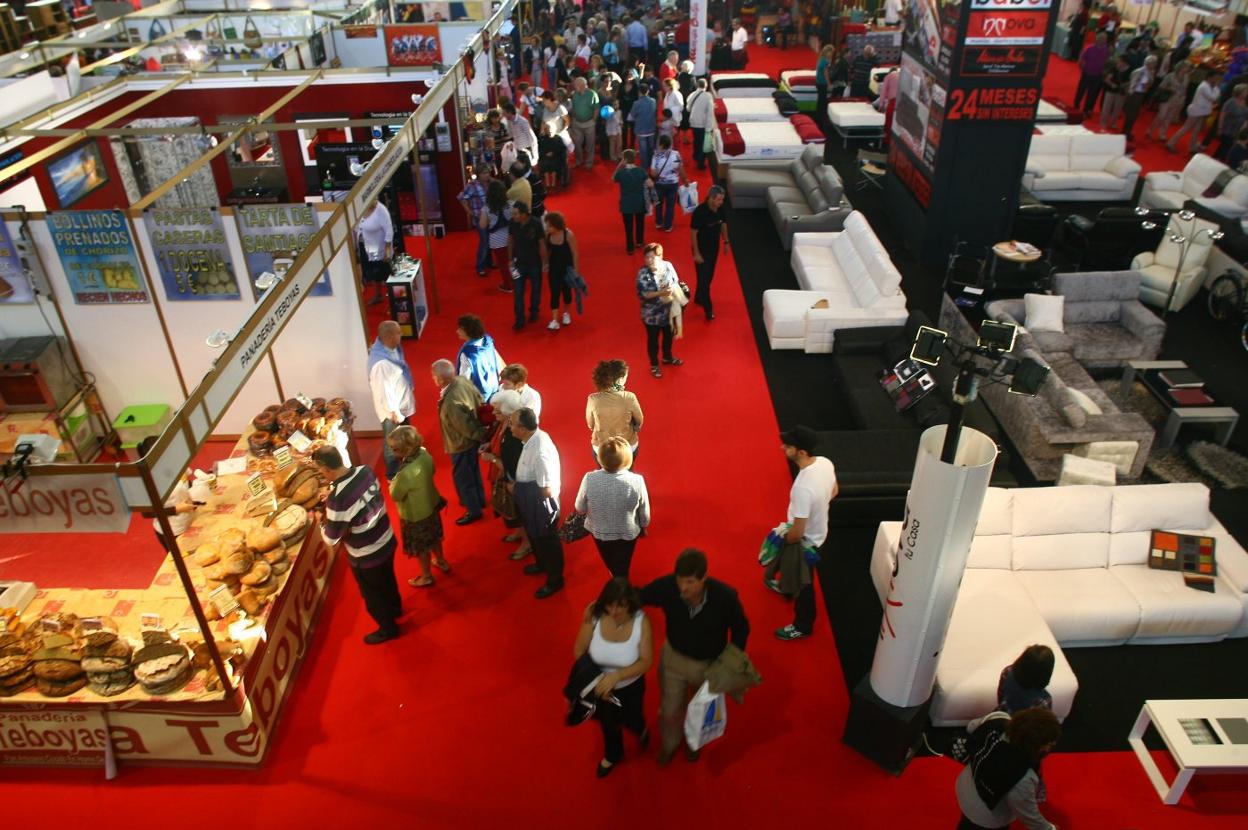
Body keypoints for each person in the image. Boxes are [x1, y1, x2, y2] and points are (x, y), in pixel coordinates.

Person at [640, 548, 750, 765]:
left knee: (702, 711)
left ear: (704, 578)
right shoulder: (668, 586)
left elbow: (741, 628)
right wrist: (608, 602)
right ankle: (670, 744)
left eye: (690, 582)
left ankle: (694, 743)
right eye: (681, 580)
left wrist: (730, 662)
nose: (683, 588)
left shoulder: (725, 597)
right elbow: (640, 595)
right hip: (674, 659)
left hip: (709, 665)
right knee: (670, 710)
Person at [314, 445, 401, 644]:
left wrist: (322, 520)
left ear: (326, 469)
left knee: (373, 595)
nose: (321, 474)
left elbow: (332, 538)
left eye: (320, 470)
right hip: (386, 537)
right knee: (388, 579)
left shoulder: (338, 499)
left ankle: (388, 628)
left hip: (367, 554)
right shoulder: (365, 471)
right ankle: (396, 609)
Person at [573, 578, 654, 777]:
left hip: (631, 685)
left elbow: (646, 661)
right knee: (608, 724)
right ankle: (613, 754)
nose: (615, 611)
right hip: (600, 686)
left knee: (632, 717)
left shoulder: (641, 621)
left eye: (621, 606)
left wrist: (617, 676)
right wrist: (598, 678)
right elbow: (579, 650)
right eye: (610, 605)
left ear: (630, 603)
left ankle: (639, 729)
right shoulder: (594, 616)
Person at [770, 425, 838, 641]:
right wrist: (818, 508)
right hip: (821, 534)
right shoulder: (825, 462)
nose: (782, 448)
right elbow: (835, 490)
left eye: (788, 446)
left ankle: (802, 625)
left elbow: (797, 531)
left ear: (801, 452)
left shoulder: (802, 488)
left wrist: (786, 540)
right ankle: (786, 587)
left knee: (804, 586)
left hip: (805, 541)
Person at [955, 708, 1062, 830]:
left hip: (968, 783)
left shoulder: (998, 719)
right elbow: (1028, 814)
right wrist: (1049, 828)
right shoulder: (1021, 776)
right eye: (1050, 743)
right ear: (1035, 746)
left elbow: (972, 726)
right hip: (985, 816)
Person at [575, 437, 650, 578]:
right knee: (623, 564)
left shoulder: (589, 478)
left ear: (600, 457)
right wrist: (644, 526)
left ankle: (615, 577)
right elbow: (644, 512)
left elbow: (580, 507)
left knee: (609, 560)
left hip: (599, 531)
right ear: (627, 459)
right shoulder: (637, 480)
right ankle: (621, 583)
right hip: (627, 532)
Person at [511, 407, 565, 599]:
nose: (510, 428)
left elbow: (547, 488)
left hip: (540, 504)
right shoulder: (531, 440)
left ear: (523, 428)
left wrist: (523, 493)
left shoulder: (541, 451)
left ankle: (555, 580)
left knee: (547, 540)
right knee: (535, 537)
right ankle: (541, 564)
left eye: (513, 424)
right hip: (531, 500)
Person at [387, 426, 449, 589]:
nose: (392, 452)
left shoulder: (405, 472)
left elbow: (395, 495)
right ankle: (442, 561)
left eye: (395, 449)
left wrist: (393, 482)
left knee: (421, 547)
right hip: (431, 503)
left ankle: (427, 576)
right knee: (435, 536)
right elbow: (433, 470)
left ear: (406, 447)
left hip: (415, 514)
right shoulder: (423, 453)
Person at [432, 358, 487, 526]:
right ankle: (480, 500)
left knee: (463, 478)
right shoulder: (462, 380)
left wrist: (480, 436)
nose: (433, 379)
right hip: (470, 441)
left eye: (433, 376)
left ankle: (473, 509)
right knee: (473, 470)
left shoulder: (450, 402)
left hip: (460, 443)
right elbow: (478, 398)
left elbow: (464, 426)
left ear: (441, 379)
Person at [480, 389, 529, 559]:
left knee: (519, 511)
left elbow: (513, 467)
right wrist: (490, 446)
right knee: (513, 512)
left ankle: (526, 543)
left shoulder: (514, 434)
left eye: (497, 410)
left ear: (509, 413)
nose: (493, 413)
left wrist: (491, 458)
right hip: (502, 476)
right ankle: (519, 532)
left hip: (512, 480)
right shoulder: (504, 424)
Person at [368, 320, 416, 481]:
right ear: (389, 337)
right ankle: (392, 475)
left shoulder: (392, 349)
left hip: (401, 404)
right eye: (398, 333)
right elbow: (383, 391)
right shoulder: (381, 363)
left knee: (404, 436)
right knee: (392, 442)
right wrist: (394, 411)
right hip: (392, 412)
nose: (401, 335)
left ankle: (407, 461)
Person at [636, 242, 683, 378]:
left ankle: (667, 357)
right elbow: (643, 294)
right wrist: (661, 293)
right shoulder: (643, 274)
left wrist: (677, 291)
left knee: (668, 336)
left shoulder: (668, 266)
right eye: (647, 257)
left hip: (668, 312)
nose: (649, 260)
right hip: (651, 315)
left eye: (653, 257)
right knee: (653, 339)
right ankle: (654, 364)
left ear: (660, 256)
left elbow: (675, 280)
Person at [586, 358, 644, 458]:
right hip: (627, 447)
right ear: (620, 380)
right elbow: (639, 421)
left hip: (601, 448)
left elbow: (590, 425)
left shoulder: (593, 399)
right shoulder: (629, 397)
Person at [689, 185, 729, 320]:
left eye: (722, 200)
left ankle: (698, 297)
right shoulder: (700, 212)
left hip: (714, 250)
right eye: (718, 200)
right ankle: (708, 309)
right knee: (705, 281)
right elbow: (693, 233)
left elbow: (723, 223)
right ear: (711, 198)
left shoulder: (720, 210)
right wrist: (696, 253)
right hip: (702, 251)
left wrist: (726, 241)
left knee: (708, 277)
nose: (721, 202)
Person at [508, 201, 549, 331]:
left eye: (516, 214)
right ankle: (519, 319)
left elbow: (542, 243)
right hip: (517, 263)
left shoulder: (536, 223)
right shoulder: (513, 223)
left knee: (536, 289)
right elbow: (510, 240)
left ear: (524, 214)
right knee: (518, 292)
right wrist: (509, 259)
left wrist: (545, 262)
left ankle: (534, 312)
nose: (513, 216)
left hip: (534, 263)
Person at [1168, 70, 1222, 154]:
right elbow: (1213, 98)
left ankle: (1192, 147)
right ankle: (1171, 143)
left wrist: (1216, 88)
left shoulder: (1210, 87)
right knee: (1186, 128)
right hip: (1197, 110)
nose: (1217, 80)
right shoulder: (1204, 86)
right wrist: (1217, 88)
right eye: (1216, 78)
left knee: (1196, 130)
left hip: (1202, 111)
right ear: (1210, 77)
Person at [455, 313, 506, 400]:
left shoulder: (467, 354)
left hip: (479, 396)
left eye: (460, 329)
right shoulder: (488, 341)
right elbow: (499, 363)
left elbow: (463, 380)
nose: (457, 331)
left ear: (469, 331)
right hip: (494, 388)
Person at [354, 199, 393, 306]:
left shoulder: (381, 210)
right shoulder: (359, 208)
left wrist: (387, 249)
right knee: (371, 271)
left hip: (379, 246)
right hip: (365, 245)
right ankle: (378, 295)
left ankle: (393, 299)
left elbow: (389, 231)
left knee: (384, 272)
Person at [544, 211, 579, 330]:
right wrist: (545, 264)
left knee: (567, 292)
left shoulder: (568, 234)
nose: (547, 228)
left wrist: (575, 271)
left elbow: (575, 253)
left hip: (567, 269)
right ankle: (554, 319)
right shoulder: (548, 236)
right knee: (554, 293)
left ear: (556, 225)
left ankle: (566, 313)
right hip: (554, 269)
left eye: (549, 225)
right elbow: (547, 252)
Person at [998, 645, 1056, 714]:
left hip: (1002, 716)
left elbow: (1000, 697)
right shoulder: (1044, 700)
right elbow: (1044, 722)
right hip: (1023, 724)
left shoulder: (1006, 672)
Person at [648, 134, 687, 233]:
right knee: (670, 205)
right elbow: (680, 169)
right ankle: (668, 225)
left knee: (658, 204)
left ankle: (659, 222)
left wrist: (659, 172)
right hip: (673, 184)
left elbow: (653, 172)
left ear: (661, 145)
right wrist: (685, 180)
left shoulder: (656, 155)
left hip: (659, 184)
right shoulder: (676, 154)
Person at [458, 165, 492, 276]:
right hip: (479, 216)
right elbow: (461, 197)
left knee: (489, 239)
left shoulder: (490, 183)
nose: (486, 175)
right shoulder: (472, 185)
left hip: (490, 216)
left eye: (487, 172)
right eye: (484, 173)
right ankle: (480, 266)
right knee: (484, 240)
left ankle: (489, 263)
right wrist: (469, 211)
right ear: (478, 174)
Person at [1145, 62, 1191, 142]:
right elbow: (1161, 86)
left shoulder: (1186, 77)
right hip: (1168, 98)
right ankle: (1150, 131)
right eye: (1185, 67)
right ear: (1180, 67)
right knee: (1161, 116)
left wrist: (1182, 99)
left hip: (1178, 100)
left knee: (1169, 117)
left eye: (1187, 68)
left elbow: (1185, 89)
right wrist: (1170, 89)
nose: (1187, 69)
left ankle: (1162, 133)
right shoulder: (1171, 76)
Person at [482, 180, 514, 292]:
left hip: (497, 241)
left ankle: (508, 285)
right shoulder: (511, 204)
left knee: (503, 265)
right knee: (513, 262)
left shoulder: (486, 208)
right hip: (511, 238)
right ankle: (516, 280)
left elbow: (483, 225)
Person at [1120, 54, 1157, 139]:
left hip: (1140, 94)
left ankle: (1127, 131)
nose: (1154, 65)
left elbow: (1149, 84)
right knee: (1131, 115)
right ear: (1148, 63)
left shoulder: (1149, 72)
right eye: (1153, 63)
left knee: (1134, 115)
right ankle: (1125, 132)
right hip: (1134, 94)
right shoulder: (1139, 71)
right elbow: (1132, 84)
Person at [1073, 32, 1109, 113]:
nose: (1105, 40)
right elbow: (1081, 60)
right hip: (1087, 73)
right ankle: (1076, 104)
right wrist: (1082, 69)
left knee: (1092, 93)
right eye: (1103, 39)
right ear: (1098, 39)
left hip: (1098, 75)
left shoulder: (1106, 50)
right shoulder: (1089, 48)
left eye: (1105, 39)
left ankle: (1087, 109)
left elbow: (1107, 62)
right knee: (1081, 90)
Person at [569, 76, 600, 170]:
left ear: (582, 85)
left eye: (576, 85)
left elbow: (596, 108)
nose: (575, 87)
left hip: (589, 123)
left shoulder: (592, 94)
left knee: (590, 144)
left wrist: (594, 120)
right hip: (576, 123)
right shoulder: (574, 94)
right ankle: (579, 161)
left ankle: (589, 163)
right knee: (577, 144)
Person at [686, 78, 714, 170]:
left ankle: (695, 155)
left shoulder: (693, 94)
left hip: (693, 121)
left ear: (697, 85)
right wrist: (709, 128)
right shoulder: (708, 96)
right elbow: (710, 113)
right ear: (706, 86)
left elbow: (688, 108)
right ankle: (700, 162)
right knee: (703, 143)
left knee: (696, 140)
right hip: (702, 123)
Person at [1215, 83, 1248, 161]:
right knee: (1226, 145)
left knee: (1225, 146)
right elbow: (1222, 115)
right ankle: (1220, 160)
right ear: (1240, 92)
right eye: (1246, 91)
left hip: (1238, 129)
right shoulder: (1231, 102)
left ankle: (1217, 158)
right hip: (1227, 128)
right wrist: (1220, 127)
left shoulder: (1245, 103)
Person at [630, 83, 658, 169]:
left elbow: (632, 115)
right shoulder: (653, 101)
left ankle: (645, 166)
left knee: (643, 150)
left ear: (639, 92)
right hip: (651, 128)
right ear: (648, 91)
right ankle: (652, 164)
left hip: (641, 129)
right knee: (651, 149)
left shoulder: (636, 103)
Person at [1099, 54, 1130, 130]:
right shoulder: (1114, 68)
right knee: (1107, 106)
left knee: (1117, 108)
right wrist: (1112, 84)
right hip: (1111, 90)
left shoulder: (1129, 70)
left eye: (1120, 61)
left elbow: (1131, 80)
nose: (1118, 62)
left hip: (1122, 91)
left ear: (1124, 62)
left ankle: (1113, 122)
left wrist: (1125, 84)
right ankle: (1103, 122)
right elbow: (1107, 79)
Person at [538, 122, 568, 192]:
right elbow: (540, 149)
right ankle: (548, 185)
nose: (550, 130)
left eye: (551, 129)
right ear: (545, 130)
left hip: (556, 156)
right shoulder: (543, 139)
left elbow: (562, 149)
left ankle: (553, 184)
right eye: (548, 129)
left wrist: (554, 153)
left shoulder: (558, 138)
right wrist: (545, 154)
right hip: (545, 157)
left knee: (554, 164)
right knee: (545, 164)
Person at [815, 44, 836, 128]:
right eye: (830, 52)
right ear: (827, 52)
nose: (831, 54)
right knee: (822, 101)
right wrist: (829, 84)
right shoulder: (825, 62)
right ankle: (821, 118)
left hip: (818, 82)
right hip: (822, 83)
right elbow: (826, 74)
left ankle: (818, 116)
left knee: (820, 100)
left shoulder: (821, 59)